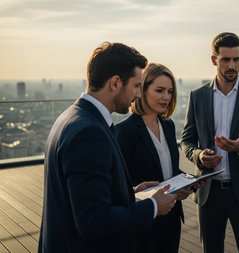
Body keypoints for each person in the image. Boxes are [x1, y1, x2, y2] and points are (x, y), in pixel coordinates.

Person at [38, 42, 177, 253]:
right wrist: (153, 206)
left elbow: (82, 198)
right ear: (115, 83)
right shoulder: (89, 133)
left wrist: (130, 193)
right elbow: (93, 221)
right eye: (136, 86)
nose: (138, 95)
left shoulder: (71, 118)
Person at [181, 32, 239, 252]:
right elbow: (186, 141)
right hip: (209, 193)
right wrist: (199, 156)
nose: (232, 65)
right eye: (226, 59)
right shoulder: (197, 96)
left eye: (237, 59)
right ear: (214, 60)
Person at [116, 63, 192, 253]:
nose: (166, 97)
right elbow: (120, 185)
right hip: (144, 223)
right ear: (142, 89)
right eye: (159, 90)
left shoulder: (168, 125)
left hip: (172, 219)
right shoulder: (125, 131)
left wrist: (186, 182)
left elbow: (169, 170)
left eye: (170, 91)